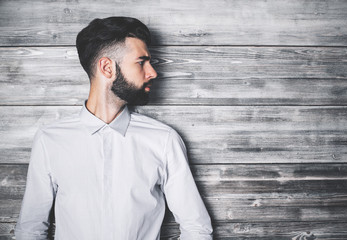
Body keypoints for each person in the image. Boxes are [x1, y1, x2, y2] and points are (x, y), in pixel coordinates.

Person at [15, 17, 213, 239]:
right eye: (141, 62)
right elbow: (30, 230)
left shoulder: (163, 140)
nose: (153, 73)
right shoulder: (49, 140)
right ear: (107, 67)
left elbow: (196, 228)